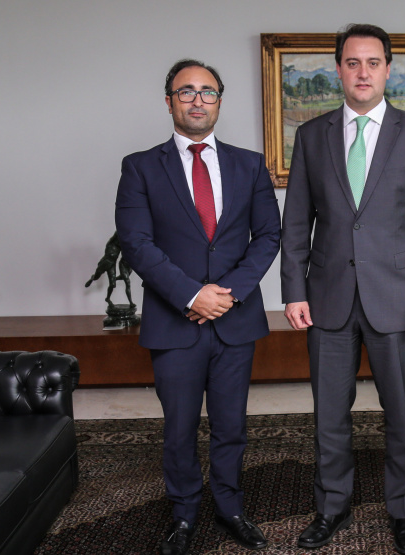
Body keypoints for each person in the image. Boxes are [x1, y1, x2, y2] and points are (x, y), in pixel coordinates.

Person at [279, 23, 405, 555]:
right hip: (327, 297)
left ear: (387, 68)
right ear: (338, 69)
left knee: (401, 414)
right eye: (352, 63)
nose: (362, 72)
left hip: (399, 301)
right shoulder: (311, 136)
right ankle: (332, 506)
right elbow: (296, 223)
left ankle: (404, 513)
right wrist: (293, 289)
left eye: (372, 62)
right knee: (329, 415)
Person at [115, 59, 281, 555]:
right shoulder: (141, 166)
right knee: (179, 428)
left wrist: (222, 295)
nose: (197, 100)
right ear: (168, 101)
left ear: (219, 102)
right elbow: (137, 242)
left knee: (232, 427)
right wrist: (191, 295)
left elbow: (268, 236)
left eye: (207, 92)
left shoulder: (249, 164)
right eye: (185, 91)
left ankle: (230, 508)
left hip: (235, 320)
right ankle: (184, 515)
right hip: (174, 322)